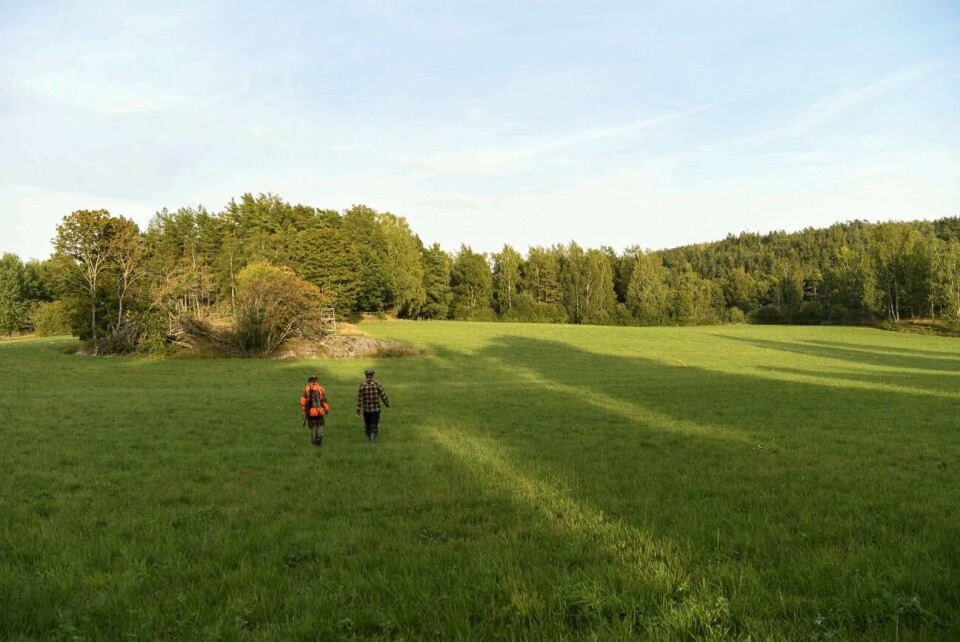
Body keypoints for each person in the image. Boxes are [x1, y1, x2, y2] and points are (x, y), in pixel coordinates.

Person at [356, 368, 389, 444]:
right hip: (376, 410)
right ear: (373, 375)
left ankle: (369, 438)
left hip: (366, 410)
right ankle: (372, 441)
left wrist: (358, 411)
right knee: (374, 425)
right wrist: (387, 404)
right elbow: (383, 396)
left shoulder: (362, 386)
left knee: (368, 425)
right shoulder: (377, 385)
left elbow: (359, 400)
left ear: (366, 376)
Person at [300, 375, 330, 446]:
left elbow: (303, 401)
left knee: (313, 426)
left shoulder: (306, 389)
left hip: (310, 412)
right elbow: (324, 401)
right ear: (316, 380)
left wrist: (304, 410)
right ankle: (319, 436)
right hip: (320, 411)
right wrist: (327, 410)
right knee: (321, 424)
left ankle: (314, 442)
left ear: (310, 381)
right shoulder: (321, 388)